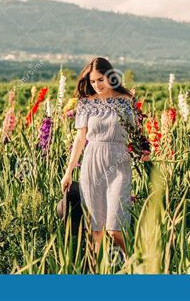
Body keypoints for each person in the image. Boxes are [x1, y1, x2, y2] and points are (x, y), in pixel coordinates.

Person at [60, 57, 139, 260]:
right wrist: (68, 172)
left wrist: (142, 150)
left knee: (115, 227)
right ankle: (100, 273)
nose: (96, 85)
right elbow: (80, 139)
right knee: (97, 229)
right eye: (93, 81)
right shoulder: (86, 104)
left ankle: (129, 269)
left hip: (119, 162)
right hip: (92, 163)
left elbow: (137, 132)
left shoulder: (126, 100)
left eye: (100, 79)